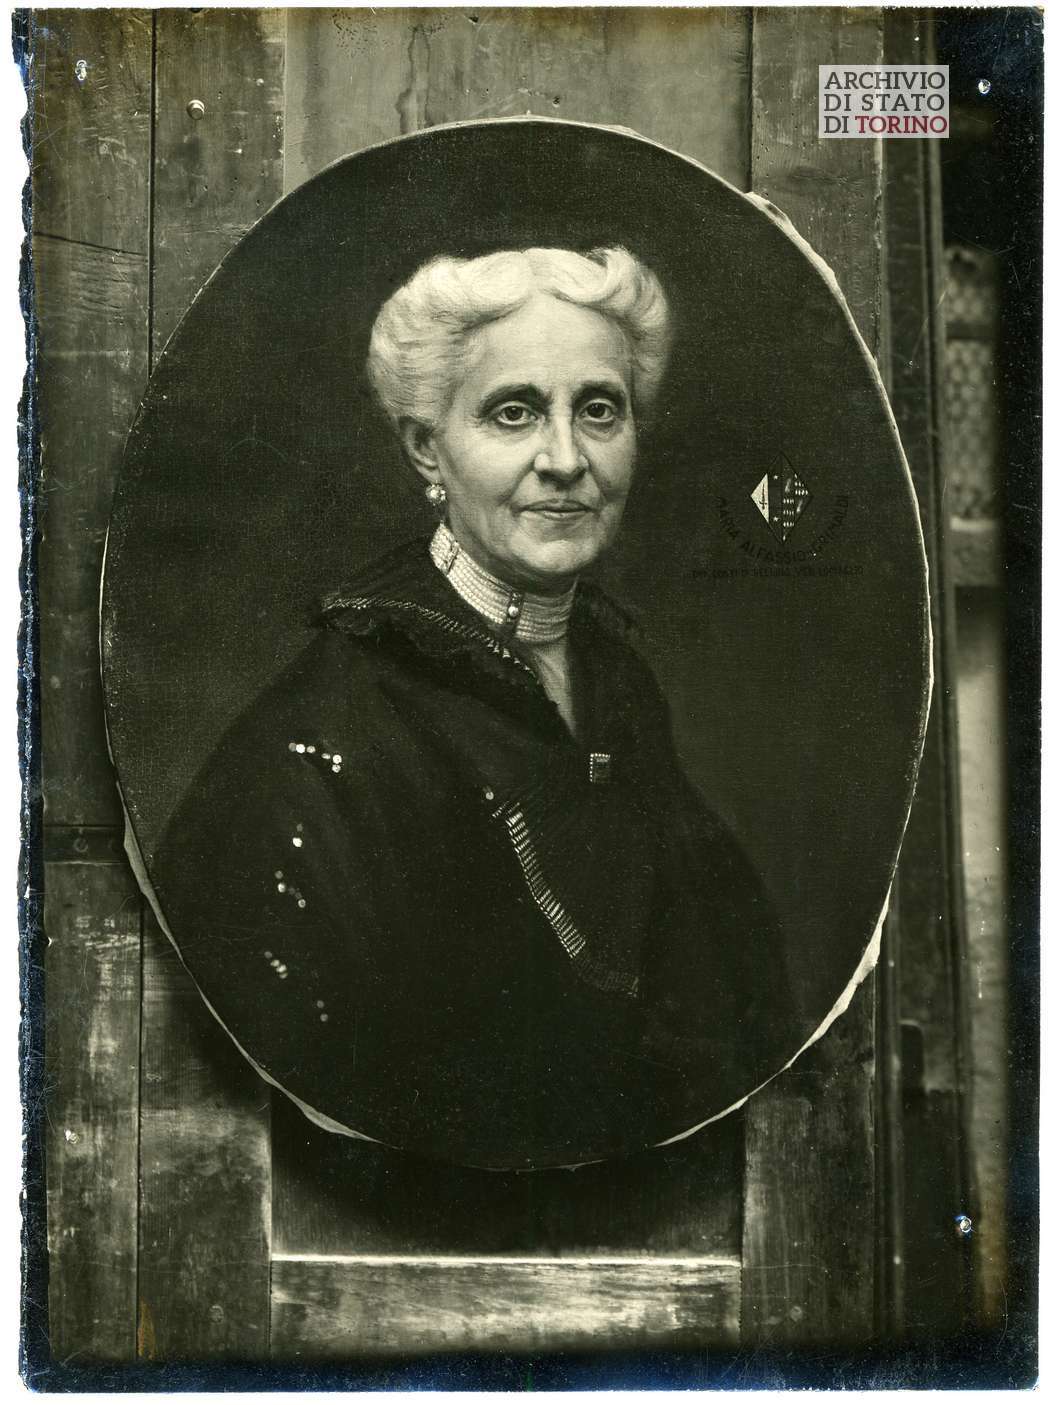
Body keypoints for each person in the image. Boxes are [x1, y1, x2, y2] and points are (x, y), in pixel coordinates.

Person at [150, 246, 787, 1169]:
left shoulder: (620, 689)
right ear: (426, 447)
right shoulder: (330, 730)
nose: (565, 459)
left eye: (598, 410)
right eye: (513, 411)